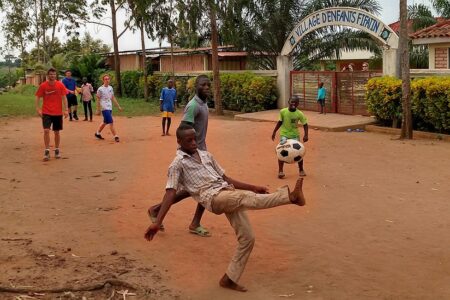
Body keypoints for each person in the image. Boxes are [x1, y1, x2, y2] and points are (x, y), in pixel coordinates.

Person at [144, 123, 306, 292]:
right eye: (189, 140)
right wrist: (158, 221)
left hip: (227, 192)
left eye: (195, 139)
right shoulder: (177, 164)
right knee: (244, 198)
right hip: (213, 198)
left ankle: (229, 278)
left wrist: (252, 187)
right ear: (179, 141)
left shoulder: (206, 155)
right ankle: (289, 197)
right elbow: (170, 194)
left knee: (247, 238)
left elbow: (226, 178)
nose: (193, 143)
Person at [148, 75, 211, 237]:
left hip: (200, 151)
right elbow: (183, 128)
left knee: (193, 189)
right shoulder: (193, 106)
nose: (206, 87)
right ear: (196, 87)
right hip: (192, 153)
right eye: (203, 85)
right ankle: (194, 223)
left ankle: (156, 209)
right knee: (208, 185)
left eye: (208, 85)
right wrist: (192, 151)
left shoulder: (203, 104)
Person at [35, 68, 68, 161]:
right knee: (46, 130)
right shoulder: (43, 85)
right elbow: (37, 97)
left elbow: (64, 97)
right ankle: (47, 150)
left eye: (54, 74)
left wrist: (66, 110)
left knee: (56, 132)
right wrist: (38, 109)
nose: (52, 76)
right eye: (50, 74)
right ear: (48, 75)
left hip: (57, 112)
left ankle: (57, 149)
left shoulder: (60, 85)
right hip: (46, 112)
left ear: (55, 75)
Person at [271, 96, 309, 178]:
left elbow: (305, 124)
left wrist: (306, 135)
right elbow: (280, 122)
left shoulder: (299, 113)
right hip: (284, 135)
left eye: (295, 102)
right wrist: (274, 131)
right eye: (292, 102)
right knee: (281, 151)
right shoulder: (283, 111)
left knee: (299, 152)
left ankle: (301, 169)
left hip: (295, 136)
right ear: (288, 102)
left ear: (298, 103)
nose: (293, 103)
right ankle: (280, 171)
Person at [94, 74, 123, 142]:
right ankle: (116, 136)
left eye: (108, 79)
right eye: (105, 79)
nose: (107, 80)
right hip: (104, 107)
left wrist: (118, 106)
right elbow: (98, 99)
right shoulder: (100, 89)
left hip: (109, 106)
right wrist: (98, 109)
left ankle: (97, 133)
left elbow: (113, 97)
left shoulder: (110, 88)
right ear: (103, 80)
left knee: (105, 121)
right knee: (111, 121)